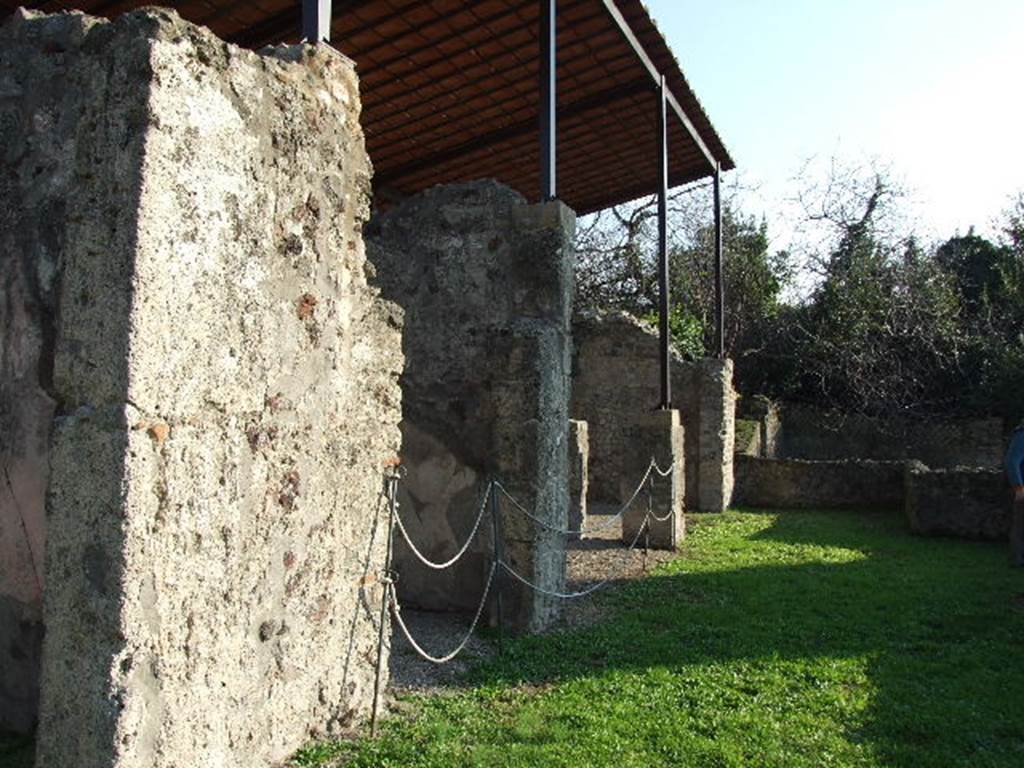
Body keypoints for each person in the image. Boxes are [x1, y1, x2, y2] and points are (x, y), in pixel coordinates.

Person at [1007, 423, 1024, 566]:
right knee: (1021, 527)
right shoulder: (1022, 434)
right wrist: (1019, 487)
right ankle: (1018, 560)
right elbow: (1012, 461)